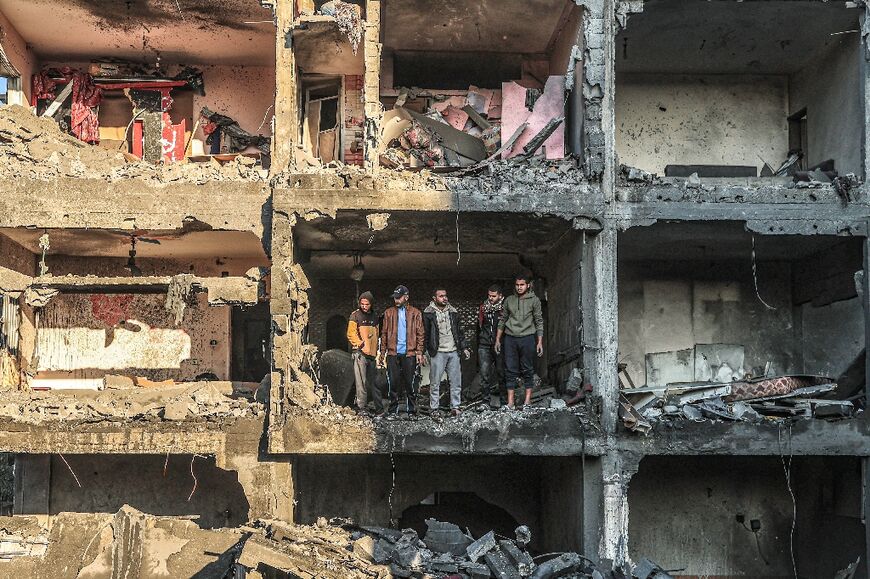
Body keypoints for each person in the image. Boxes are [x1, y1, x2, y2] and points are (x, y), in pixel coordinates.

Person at [495, 273, 544, 411]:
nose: (519, 287)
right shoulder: (509, 300)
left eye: (522, 285)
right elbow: (503, 320)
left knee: (528, 369)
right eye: (517, 285)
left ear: (528, 285)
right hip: (510, 338)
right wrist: (498, 340)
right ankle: (510, 403)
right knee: (510, 369)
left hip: (528, 337)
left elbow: (539, 321)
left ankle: (527, 402)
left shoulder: (534, 300)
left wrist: (539, 342)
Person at [423, 287, 470, 416]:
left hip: (453, 351)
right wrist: (423, 352)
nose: (444, 298)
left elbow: (460, 332)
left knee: (456, 381)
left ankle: (455, 407)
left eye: (445, 295)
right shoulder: (428, 313)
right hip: (437, 351)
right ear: (434, 298)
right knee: (435, 382)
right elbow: (425, 334)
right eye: (441, 296)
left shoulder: (453, 312)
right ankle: (434, 408)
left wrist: (464, 347)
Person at [379, 285, 425, 415]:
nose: (396, 301)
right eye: (395, 298)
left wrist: (419, 352)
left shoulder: (416, 313)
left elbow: (420, 334)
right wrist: (382, 353)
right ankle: (393, 410)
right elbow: (384, 333)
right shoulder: (388, 313)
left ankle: (411, 410)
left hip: (409, 354)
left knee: (410, 384)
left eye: (399, 298)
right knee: (393, 384)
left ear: (406, 297)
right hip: (393, 353)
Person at [346, 291, 384, 415]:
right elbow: (350, 333)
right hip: (360, 353)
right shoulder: (355, 316)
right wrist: (361, 344)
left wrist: (377, 352)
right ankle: (362, 407)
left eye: (366, 304)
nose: (364, 306)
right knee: (361, 382)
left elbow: (377, 334)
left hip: (371, 354)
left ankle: (378, 408)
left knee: (375, 382)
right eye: (362, 304)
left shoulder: (375, 317)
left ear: (371, 304)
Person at [477, 284, 505, 408]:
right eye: (489, 296)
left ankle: (504, 402)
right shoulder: (483, 308)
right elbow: (480, 325)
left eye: (493, 296)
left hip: (500, 345)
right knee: (484, 374)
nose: (491, 298)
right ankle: (485, 402)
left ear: (500, 296)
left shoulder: (504, 309)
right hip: (484, 344)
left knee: (502, 373)